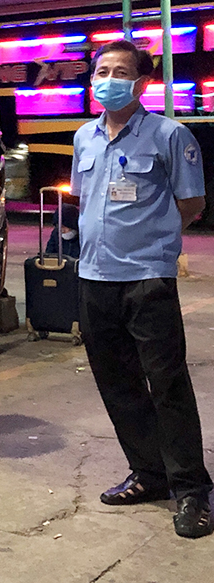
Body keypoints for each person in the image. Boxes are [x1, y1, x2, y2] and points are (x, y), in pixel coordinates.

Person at [71, 39, 211, 539]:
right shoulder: (84, 137)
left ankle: (192, 488)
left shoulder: (170, 135)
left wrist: (155, 243)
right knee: (117, 383)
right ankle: (149, 473)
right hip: (94, 277)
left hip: (147, 279)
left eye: (120, 72)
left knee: (167, 384)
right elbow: (84, 200)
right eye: (101, 71)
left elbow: (191, 203)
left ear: (142, 82)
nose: (108, 80)